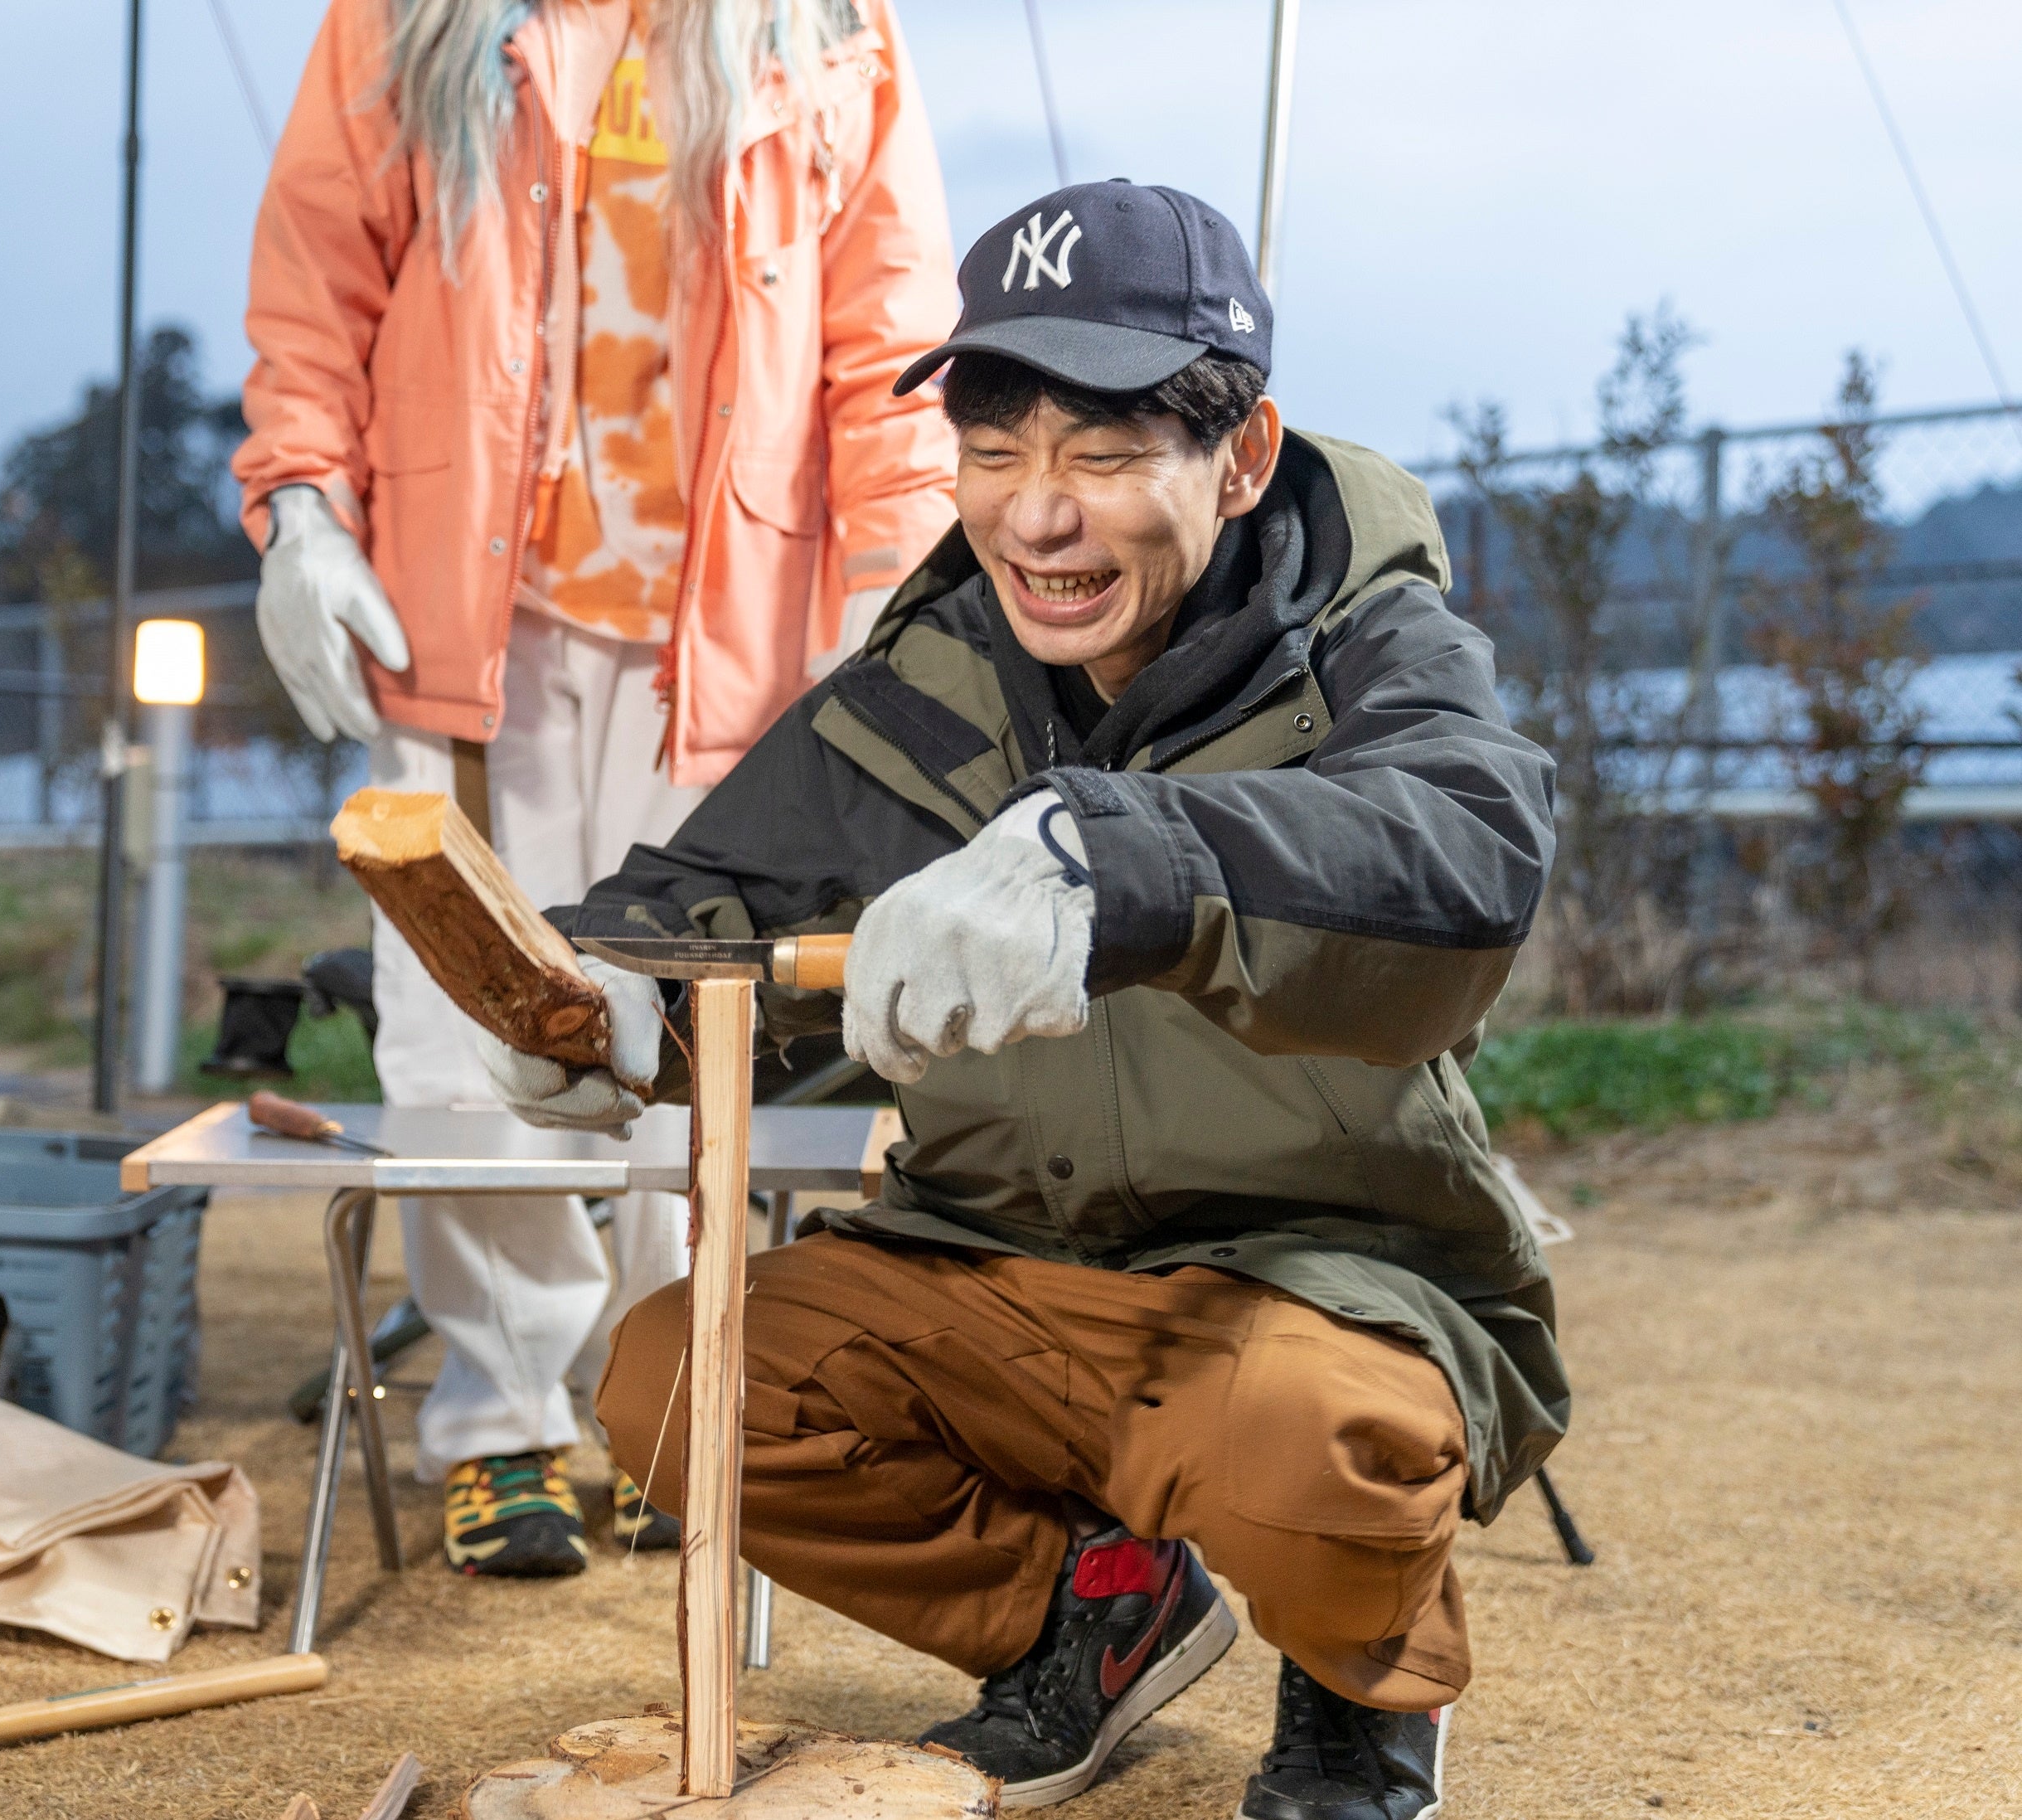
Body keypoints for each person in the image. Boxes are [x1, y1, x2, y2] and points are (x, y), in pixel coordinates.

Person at [473, 179, 1569, 1818]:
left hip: (1316, 1273)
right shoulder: (926, 681)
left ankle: (1360, 1689)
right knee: (672, 1387)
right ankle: (1095, 1618)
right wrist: (609, 1006)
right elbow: (713, 906)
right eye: (994, 453)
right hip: (985, 1255)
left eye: (1106, 456)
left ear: (1242, 455)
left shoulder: (1364, 640)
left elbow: (1467, 853)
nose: (1035, 519)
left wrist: (1121, 858)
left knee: (1309, 1446)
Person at [232, 0, 958, 1577]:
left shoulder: (833, 31)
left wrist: (894, 594)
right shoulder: (407, 18)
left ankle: (665, 1402)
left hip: (729, 648)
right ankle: (501, 1427)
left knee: (681, 1033)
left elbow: (890, 338)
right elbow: (315, 277)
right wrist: (300, 507)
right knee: (457, 1034)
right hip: (463, 625)